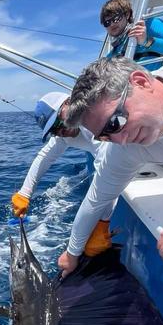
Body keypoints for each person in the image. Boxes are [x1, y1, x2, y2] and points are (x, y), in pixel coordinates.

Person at [57, 29, 163, 277]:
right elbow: (96, 199)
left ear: (141, 82)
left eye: (114, 123)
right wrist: (72, 254)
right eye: (104, 136)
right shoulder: (127, 144)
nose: (120, 140)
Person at [11, 92, 113, 256]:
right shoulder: (65, 133)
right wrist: (24, 193)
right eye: (53, 130)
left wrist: (103, 223)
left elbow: (110, 175)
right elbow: (44, 157)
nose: (60, 131)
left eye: (59, 123)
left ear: (70, 104)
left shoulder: (94, 123)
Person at [101, 0, 163, 71]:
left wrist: (146, 41)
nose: (111, 24)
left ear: (127, 14)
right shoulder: (112, 53)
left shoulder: (148, 24)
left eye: (116, 18)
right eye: (107, 23)